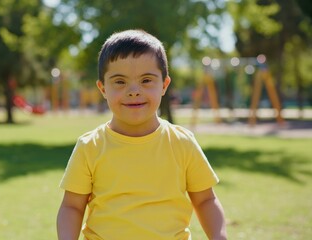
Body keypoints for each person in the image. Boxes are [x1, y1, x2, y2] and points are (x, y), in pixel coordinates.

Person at [57, 29, 227, 240]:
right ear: (102, 89)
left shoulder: (182, 143)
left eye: (146, 80)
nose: (134, 90)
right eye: (120, 81)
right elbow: (72, 207)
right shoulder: (90, 146)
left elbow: (205, 200)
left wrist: (219, 237)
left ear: (164, 85)